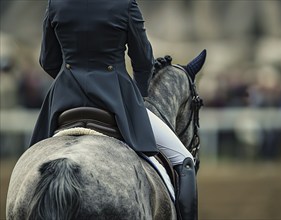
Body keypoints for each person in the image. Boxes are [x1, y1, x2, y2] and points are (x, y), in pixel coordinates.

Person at [30, 0, 197, 219]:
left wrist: (70, 80)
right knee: (184, 161)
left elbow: (48, 60)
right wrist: (137, 96)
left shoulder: (56, 4)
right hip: (116, 99)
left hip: (63, 101)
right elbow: (143, 60)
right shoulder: (125, 4)